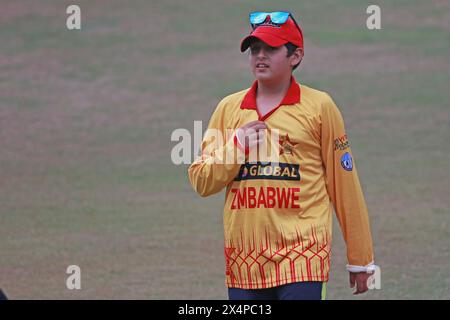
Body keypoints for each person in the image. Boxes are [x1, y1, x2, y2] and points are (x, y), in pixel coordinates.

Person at [188, 11, 377, 300]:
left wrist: (360, 258)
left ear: (295, 56)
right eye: (255, 50)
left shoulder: (320, 107)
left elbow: (345, 186)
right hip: (244, 263)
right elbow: (201, 181)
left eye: (271, 48)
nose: (260, 56)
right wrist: (236, 146)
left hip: (303, 258)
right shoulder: (228, 109)